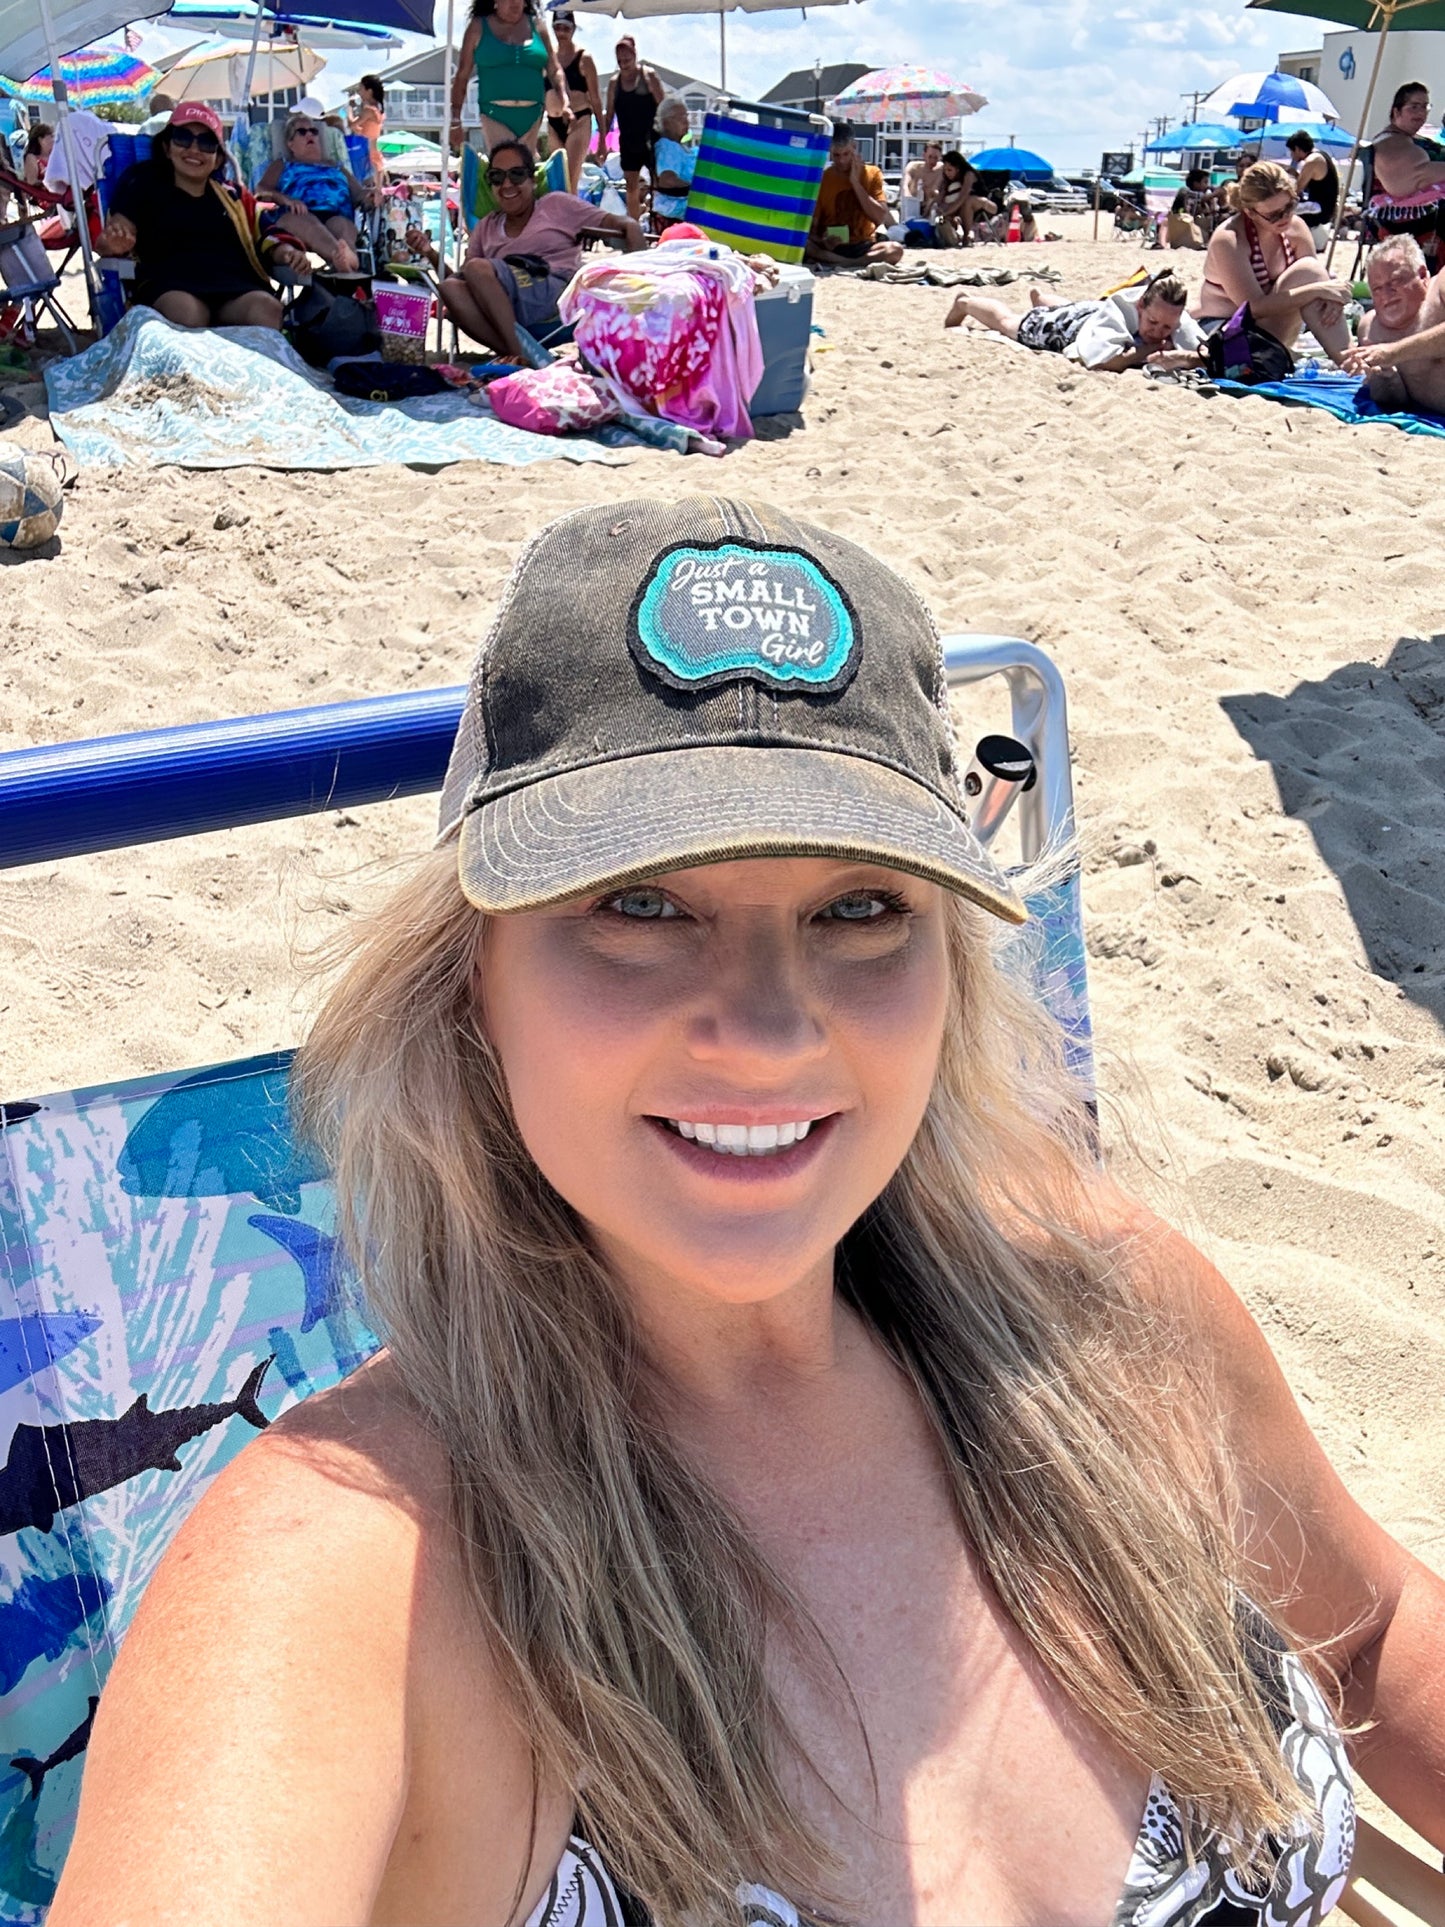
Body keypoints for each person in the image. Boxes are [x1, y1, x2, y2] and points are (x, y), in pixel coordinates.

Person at [49, 493, 1442, 1927]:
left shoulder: (1106, 1309)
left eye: (862, 908)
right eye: (642, 904)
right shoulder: (354, 1573)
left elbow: (1375, 1628)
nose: (773, 1033)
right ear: (474, 981)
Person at [94, 101, 305, 331]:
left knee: (268, 310)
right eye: (183, 138)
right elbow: (114, 234)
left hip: (233, 285)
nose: (194, 149)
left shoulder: (232, 195)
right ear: (167, 147)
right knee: (188, 314)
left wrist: (286, 252)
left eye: (207, 143)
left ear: (218, 158)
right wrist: (113, 243)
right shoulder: (143, 183)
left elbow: (266, 230)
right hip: (169, 284)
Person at [436, 136, 642, 356]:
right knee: (450, 288)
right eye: (497, 177)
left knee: (478, 268)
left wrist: (644, 280)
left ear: (532, 180)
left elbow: (619, 224)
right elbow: (464, 281)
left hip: (555, 296)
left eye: (516, 175)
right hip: (504, 307)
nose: (507, 184)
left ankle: (516, 354)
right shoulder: (486, 226)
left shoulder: (556, 204)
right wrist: (430, 253)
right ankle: (524, 354)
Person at [1195, 160, 1352, 363]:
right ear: (1250, 212)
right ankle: (1350, 361)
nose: (1285, 217)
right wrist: (1319, 290)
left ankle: (1349, 358)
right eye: (1273, 215)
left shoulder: (1296, 228)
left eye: (1290, 206)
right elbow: (1253, 308)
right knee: (1317, 283)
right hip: (1225, 329)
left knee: (1312, 272)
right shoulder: (1230, 239)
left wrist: (1330, 297)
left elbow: (1313, 279)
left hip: (1272, 328)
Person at [945, 268, 1206, 372]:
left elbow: (1206, 352)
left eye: (1167, 327)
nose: (1158, 331)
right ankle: (965, 302)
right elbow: (1104, 362)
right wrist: (1152, 349)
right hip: (1073, 327)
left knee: (1073, 308)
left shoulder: (1171, 314)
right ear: (1140, 306)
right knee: (1010, 323)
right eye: (1153, 322)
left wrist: (1188, 355)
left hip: (1091, 312)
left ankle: (1043, 299)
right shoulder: (1121, 311)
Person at [257, 110, 384, 275]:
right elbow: (261, 189)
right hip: (298, 215)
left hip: (335, 215)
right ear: (290, 143)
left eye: (314, 131)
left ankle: (346, 257)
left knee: (343, 225)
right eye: (302, 132)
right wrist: (287, 200)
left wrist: (371, 195)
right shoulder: (283, 164)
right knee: (310, 223)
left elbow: (358, 193)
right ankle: (343, 260)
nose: (309, 134)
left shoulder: (336, 167)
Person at [1341, 231, 1445, 412]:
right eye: (1377, 288)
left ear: (1422, 275)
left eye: (1395, 281)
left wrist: (1393, 352)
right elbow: (1395, 402)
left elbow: (1392, 353)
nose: (1386, 295)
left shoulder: (1440, 288)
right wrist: (1385, 375)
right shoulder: (1370, 328)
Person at [451, 0, 566, 162]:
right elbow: (462, 76)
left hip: (532, 114)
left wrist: (563, 97)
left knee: (525, 172)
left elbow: (554, 69)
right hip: (495, 114)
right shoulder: (478, 27)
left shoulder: (537, 26)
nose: (514, 2)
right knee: (506, 167)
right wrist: (455, 120)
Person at [1367, 81, 1445, 270]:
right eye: (1414, 107)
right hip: (1405, 223)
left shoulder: (1404, 139)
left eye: (1425, 106)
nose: (1421, 112)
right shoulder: (1392, 143)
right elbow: (1407, 182)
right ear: (1396, 112)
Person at [806, 124, 903, 267]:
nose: (841, 161)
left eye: (846, 154)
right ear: (830, 152)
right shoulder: (824, 178)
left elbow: (880, 217)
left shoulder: (872, 173)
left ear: (854, 147)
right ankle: (851, 262)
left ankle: (848, 263)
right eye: (836, 155)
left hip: (864, 245)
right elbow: (812, 229)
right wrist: (823, 241)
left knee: (895, 250)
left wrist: (855, 183)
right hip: (832, 246)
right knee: (806, 245)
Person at [595, 35, 665, 223]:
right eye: (620, 60)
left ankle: (658, 223)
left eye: (627, 58)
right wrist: (602, 142)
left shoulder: (647, 75)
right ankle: (634, 226)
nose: (624, 63)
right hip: (628, 141)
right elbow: (608, 116)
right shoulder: (614, 83)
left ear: (634, 55)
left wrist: (671, 138)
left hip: (652, 138)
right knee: (631, 187)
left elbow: (664, 106)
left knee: (658, 185)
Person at [544, 12, 603, 194]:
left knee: (571, 180)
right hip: (553, 121)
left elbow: (595, 99)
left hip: (579, 120)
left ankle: (571, 221)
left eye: (566, 28)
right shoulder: (548, 59)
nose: (562, 32)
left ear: (573, 29)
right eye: (558, 27)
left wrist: (602, 137)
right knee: (557, 181)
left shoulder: (584, 59)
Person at [933, 150, 995, 247]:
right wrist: (937, 209)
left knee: (967, 201)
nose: (947, 173)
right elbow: (940, 197)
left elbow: (962, 198)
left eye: (949, 170)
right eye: (945, 170)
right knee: (947, 208)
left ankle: (966, 236)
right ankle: (954, 236)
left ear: (957, 169)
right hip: (964, 209)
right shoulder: (947, 179)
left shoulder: (968, 175)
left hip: (986, 206)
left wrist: (947, 212)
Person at [650, 95, 696, 225]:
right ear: (666, 123)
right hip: (675, 205)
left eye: (686, 116)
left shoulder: (679, 147)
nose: (686, 121)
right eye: (680, 118)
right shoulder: (668, 146)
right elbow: (667, 180)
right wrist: (698, 189)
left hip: (685, 202)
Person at [1285, 130, 1339, 238]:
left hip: (1320, 208)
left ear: (1297, 149)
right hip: (1326, 206)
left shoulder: (1311, 161)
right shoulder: (1321, 155)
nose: (1291, 155)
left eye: (1291, 151)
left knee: (1284, 213)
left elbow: (1296, 190)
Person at [347, 73, 386, 181]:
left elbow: (352, 124)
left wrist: (349, 107)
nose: (359, 92)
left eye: (361, 88)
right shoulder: (378, 111)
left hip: (365, 154)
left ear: (369, 91)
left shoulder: (369, 110)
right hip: (374, 153)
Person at [1166, 167, 1211, 249]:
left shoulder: (1185, 191)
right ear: (1196, 183)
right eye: (1205, 182)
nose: (1207, 185)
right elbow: (1188, 210)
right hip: (1183, 220)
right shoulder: (1187, 192)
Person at [902, 139, 944, 220]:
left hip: (930, 207)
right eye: (930, 156)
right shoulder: (913, 167)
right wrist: (909, 199)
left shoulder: (941, 170)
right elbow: (905, 185)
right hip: (912, 203)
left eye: (936, 158)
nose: (932, 160)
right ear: (924, 155)